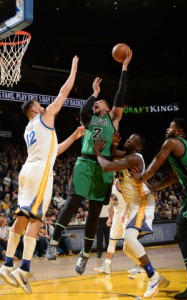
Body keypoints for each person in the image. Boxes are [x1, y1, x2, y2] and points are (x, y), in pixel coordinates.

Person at [0, 55, 85, 294]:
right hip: (39, 173)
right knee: (36, 219)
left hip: (29, 170)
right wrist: (74, 70)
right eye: (40, 104)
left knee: (24, 217)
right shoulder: (44, 118)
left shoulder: (30, 128)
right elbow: (63, 94)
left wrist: (74, 137)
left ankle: (8, 265)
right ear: (36, 109)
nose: (45, 106)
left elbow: (53, 151)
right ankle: (23, 269)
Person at [45, 48, 133, 277]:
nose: (96, 105)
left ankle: (84, 255)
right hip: (85, 163)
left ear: (108, 108)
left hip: (103, 167)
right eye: (96, 103)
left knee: (94, 212)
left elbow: (120, 95)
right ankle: (53, 243)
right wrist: (94, 94)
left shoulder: (113, 118)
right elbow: (83, 110)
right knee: (73, 201)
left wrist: (124, 66)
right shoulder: (90, 117)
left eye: (100, 102)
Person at [93, 133, 170, 298]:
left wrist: (97, 152)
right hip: (132, 204)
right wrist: (114, 144)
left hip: (142, 200)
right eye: (128, 137)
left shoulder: (134, 158)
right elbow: (113, 154)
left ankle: (153, 277)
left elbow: (106, 165)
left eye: (132, 138)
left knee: (129, 237)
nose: (128, 139)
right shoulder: (127, 155)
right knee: (127, 248)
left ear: (138, 146)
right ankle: (154, 274)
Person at [131, 118, 187, 299]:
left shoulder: (171, 142)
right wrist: (153, 187)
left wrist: (142, 177)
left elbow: (155, 164)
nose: (167, 129)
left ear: (179, 131)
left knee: (181, 234)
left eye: (171, 126)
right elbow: (174, 176)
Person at [94, 177, 145, 275]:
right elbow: (112, 202)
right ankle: (106, 265)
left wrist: (125, 213)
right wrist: (110, 217)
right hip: (117, 214)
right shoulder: (112, 183)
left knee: (130, 242)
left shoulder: (122, 182)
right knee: (112, 240)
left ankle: (140, 264)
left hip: (125, 214)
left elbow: (130, 200)